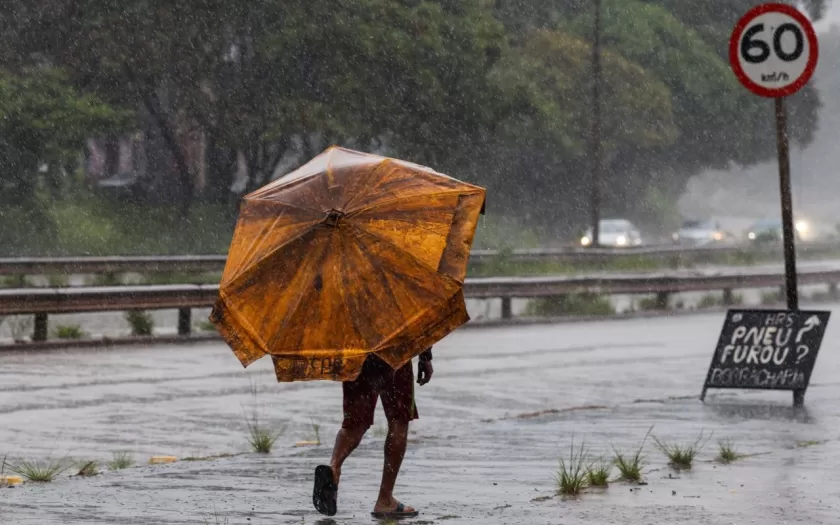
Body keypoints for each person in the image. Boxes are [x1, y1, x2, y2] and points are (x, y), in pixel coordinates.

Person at [312, 347, 434, 519]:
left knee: (355, 423)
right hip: (394, 348)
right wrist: (425, 356)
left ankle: (333, 467)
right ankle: (385, 500)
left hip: (357, 351)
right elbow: (418, 321)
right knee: (399, 420)